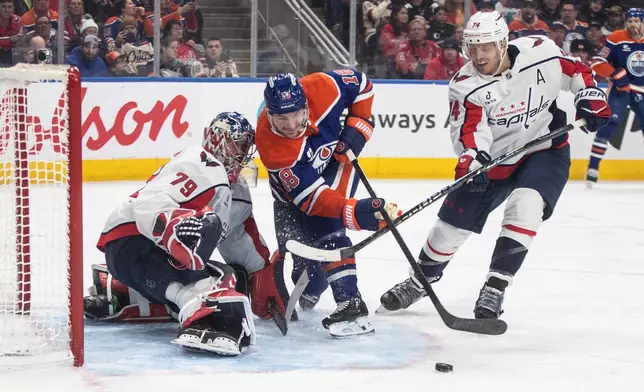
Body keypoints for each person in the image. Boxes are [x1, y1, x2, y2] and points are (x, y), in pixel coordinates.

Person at [379, 11, 610, 319]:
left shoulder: (540, 51)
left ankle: (495, 288)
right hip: (494, 162)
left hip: (544, 150)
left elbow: (577, 70)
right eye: (472, 47)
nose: (477, 55)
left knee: (527, 206)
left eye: (485, 47)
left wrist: (590, 94)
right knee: (449, 229)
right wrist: (472, 157)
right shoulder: (465, 84)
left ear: (502, 43)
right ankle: (421, 279)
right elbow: (469, 131)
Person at [84, 112, 289, 356]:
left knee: (227, 276)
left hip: (140, 258)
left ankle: (126, 292)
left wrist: (262, 274)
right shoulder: (201, 162)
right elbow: (149, 204)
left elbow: (239, 239)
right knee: (216, 283)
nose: (240, 152)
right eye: (236, 143)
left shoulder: (236, 191)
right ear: (217, 140)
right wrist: (175, 225)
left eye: (244, 146)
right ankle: (211, 320)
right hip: (134, 241)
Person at [255, 71, 402, 337]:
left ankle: (350, 302)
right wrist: (356, 213)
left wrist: (359, 127)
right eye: (281, 118)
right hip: (292, 196)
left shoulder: (323, 87)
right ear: (269, 113)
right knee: (305, 268)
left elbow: (362, 85)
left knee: (327, 229)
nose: (290, 125)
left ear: (305, 105)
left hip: (335, 167)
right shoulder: (271, 145)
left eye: (296, 114)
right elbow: (311, 199)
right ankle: (315, 284)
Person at [586, 8, 644, 187]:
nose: (633, 24)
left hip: (641, 91)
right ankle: (592, 168)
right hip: (622, 89)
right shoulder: (616, 38)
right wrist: (614, 73)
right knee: (610, 124)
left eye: (637, 21)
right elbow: (597, 61)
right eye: (630, 21)